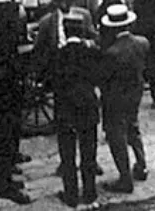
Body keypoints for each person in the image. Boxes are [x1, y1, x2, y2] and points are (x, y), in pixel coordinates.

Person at [0, 2, 33, 205]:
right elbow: (5, 65)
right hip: (5, 94)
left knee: (6, 135)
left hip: (4, 93)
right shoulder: (3, 37)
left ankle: (2, 176)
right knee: (4, 136)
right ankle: (4, 184)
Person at [98, 4, 149, 193]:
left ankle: (125, 178)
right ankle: (142, 165)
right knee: (133, 127)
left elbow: (103, 79)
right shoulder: (142, 43)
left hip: (115, 98)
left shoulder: (111, 53)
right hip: (135, 93)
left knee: (116, 136)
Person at [53, 19, 103, 208]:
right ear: (82, 32)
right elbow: (99, 76)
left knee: (67, 155)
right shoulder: (91, 53)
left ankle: (71, 195)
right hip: (87, 107)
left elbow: (52, 82)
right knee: (88, 153)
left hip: (66, 109)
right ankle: (90, 193)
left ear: (65, 32)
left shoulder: (58, 54)